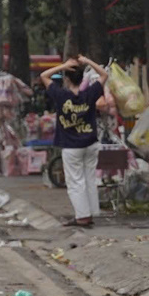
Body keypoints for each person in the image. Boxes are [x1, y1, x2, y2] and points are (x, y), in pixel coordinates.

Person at [40, 55, 107, 227]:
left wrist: (64, 66)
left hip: (71, 146)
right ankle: (91, 213)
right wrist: (88, 61)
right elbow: (104, 75)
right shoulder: (90, 93)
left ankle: (82, 217)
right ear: (83, 78)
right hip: (91, 143)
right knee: (89, 179)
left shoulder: (61, 95)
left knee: (75, 182)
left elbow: (44, 76)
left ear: (67, 79)